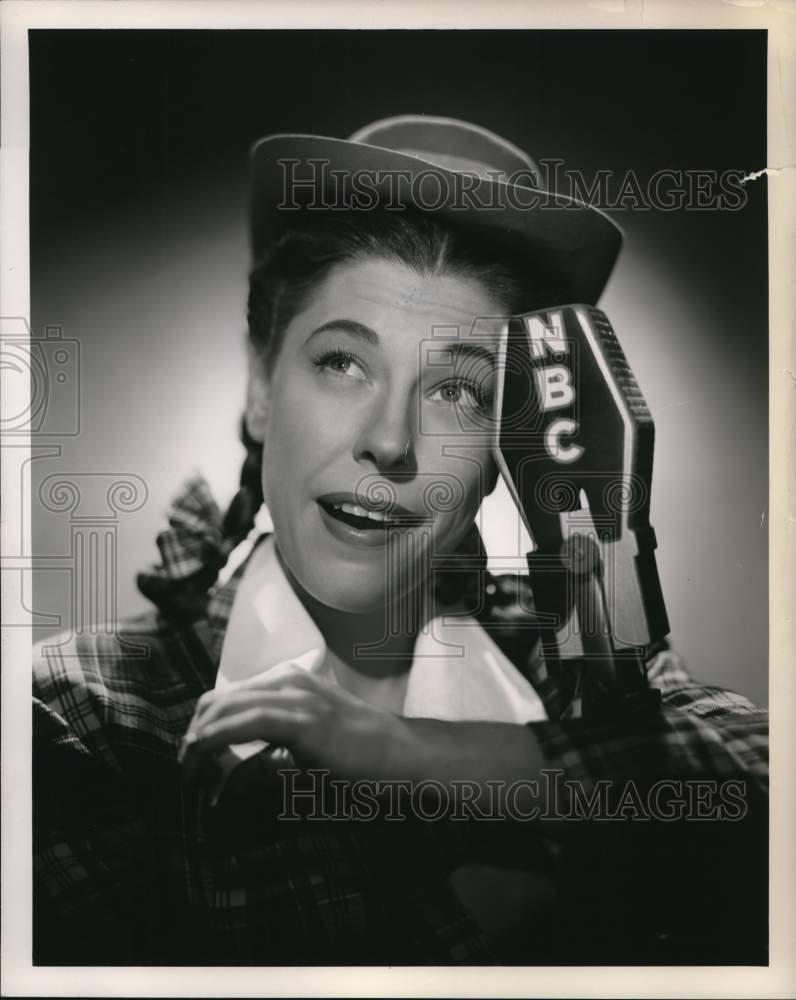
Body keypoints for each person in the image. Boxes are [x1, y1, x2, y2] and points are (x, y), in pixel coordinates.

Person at [32, 116, 768, 966]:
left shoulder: (562, 666)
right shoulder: (75, 719)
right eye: (342, 363)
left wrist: (434, 753)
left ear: (507, 450)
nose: (390, 439)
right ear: (261, 387)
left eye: (457, 389)